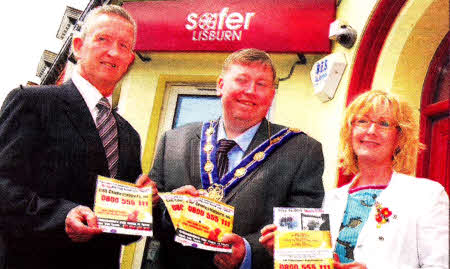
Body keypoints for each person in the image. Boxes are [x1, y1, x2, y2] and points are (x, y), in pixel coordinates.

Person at [137, 48, 325, 269]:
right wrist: (171, 209)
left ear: (272, 95)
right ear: (220, 85)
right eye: (242, 80)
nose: (250, 91)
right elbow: (152, 225)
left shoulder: (302, 149)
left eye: (262, 84)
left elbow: (304, 236)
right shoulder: (174, 141)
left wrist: (249, 251)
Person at [0, 5, 143, 269]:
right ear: (78, 46)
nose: (114, 52)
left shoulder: (129, 136)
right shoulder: (32, 103)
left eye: (124, 46)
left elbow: (127, 232)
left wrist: (148, 205)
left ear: (130, 60)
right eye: (103, 39)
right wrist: (60, 215)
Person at [259, 90, 449, 269]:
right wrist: (286, 251)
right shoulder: (326, 201)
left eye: (384, 124)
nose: (371, 130)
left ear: (400, 138)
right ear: (350, 133)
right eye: (363, 121)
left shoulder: (427, 195)